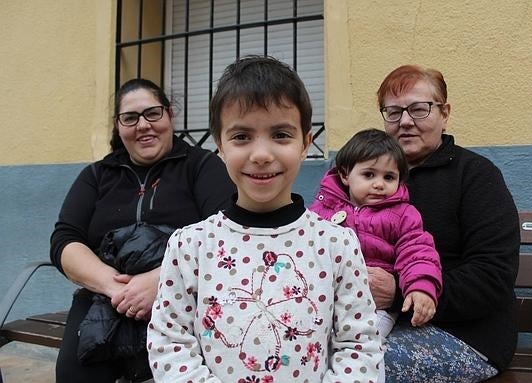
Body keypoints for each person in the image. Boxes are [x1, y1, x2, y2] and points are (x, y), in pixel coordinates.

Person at [147, 55, 382, 382]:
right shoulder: (190, 247)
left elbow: (359, 346)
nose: (261, 154)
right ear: (220, 147)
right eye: (241, 137)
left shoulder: (336, 244)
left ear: (305, 143)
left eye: (281, 135)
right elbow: (170, 342)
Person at [49, 78, 236, 383]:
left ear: (169, 116)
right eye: (130, 118)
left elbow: (225, 232)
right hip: (103, 300)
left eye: (153, 113)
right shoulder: (96, 176)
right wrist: (118, 289)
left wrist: (160, 281)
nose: (143, 125)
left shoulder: (202, 166)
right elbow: (64, 240)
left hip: (185, 299)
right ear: (118, 126)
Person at [373, 64, 520, 382]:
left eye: (419, 109)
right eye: (394, 112)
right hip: (375, 322)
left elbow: (491, 277)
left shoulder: (476, 176)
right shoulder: (369, 177)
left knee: (358, 367)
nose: (406, 122)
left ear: (444, 113)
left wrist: (399, 293)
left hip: (465, 336)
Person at [309, 128, 442, 337]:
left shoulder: (403, 215)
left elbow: (417, 252)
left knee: (365, 343)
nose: (379, 184)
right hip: (325, 299)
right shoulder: (323, 209)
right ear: (345, 175)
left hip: (375, 305)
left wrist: (421, 287)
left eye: (389, 177)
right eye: (369, 174)